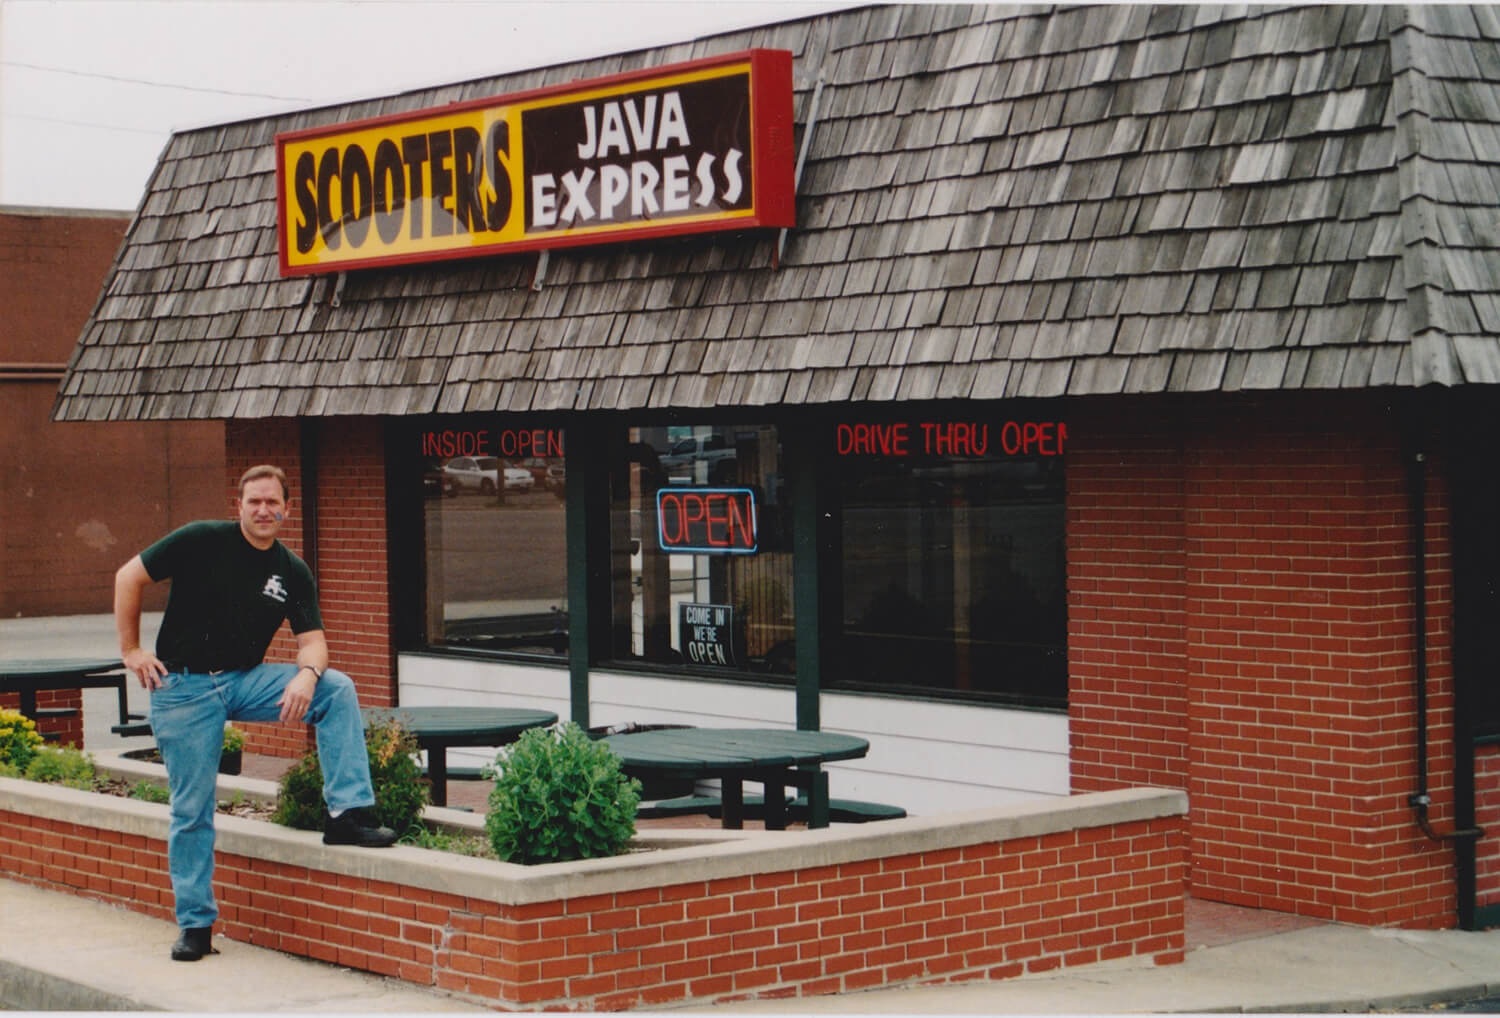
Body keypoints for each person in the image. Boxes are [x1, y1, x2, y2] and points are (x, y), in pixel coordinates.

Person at [114, 464, 398, 963]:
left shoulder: (292, 571)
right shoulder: (200, 539)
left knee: (336, 688)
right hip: (182, 687)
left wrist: (306, 676)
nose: (263, 510)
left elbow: (314, 643)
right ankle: (196, 926)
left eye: (273, 503)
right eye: (254, 502)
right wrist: (132, 650)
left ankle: (346, 814)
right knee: (192, 809)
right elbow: (128, 576)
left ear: (287, 510)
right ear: (239, 506)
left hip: (245, 680)